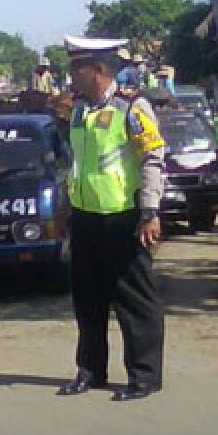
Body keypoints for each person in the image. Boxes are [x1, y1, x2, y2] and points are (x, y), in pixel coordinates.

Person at [59, 36, 167, 402]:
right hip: (86, 218)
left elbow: (153, 159)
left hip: (124, 218)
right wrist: (65, 205)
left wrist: (150, 211)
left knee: (134, 301)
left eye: (78, 67)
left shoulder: (133, 108)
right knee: (87, 300)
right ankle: (90, 371)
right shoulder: (78, 110)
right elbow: (74, 163)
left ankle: (144, 377)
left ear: (99, 71)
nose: (72, 74)